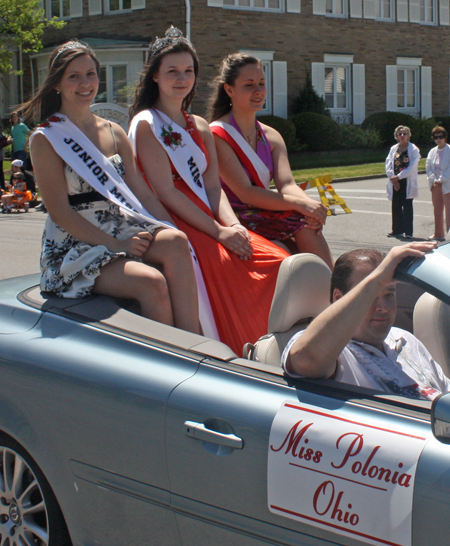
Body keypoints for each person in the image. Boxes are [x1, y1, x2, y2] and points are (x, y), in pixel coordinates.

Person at [128, 27, 290, 355]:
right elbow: (165, 192)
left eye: (188, 71)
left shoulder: (199, 125)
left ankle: (267, 345)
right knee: (230, 264)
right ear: (155, 76)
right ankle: (230, 342)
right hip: (175, 219)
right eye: (172, 71)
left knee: (279, 260)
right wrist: (219, 231)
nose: (181, 78)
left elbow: (213, 186)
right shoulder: (146, 124)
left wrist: (234, 226)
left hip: (209, 215)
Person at [24, 40, 201, 334]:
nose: (85, 83)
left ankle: (197, 348)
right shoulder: (47, 138)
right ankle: (172, 362)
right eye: (74, 76)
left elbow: (141, 194)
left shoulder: (114, 131)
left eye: (91, 74)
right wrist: (116, 246)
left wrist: (166, 226)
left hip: (120, 228)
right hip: (77, 245)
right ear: (57, 83)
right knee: (151, 282)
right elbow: (59, 212)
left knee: (177, 242)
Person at [208, 53, 333, 269]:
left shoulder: (272, 136)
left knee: (305, 222)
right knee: (298, 217)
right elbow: (245, 192)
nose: (258, 91)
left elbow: (287, 184)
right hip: (233, 218)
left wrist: (311, 207)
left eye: (261, 83)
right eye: (248, 85)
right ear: (229, 89)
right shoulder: (217, 135)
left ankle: (334, 285)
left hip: (265, 211)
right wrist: (300, 204)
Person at [281, 241, 450, 400]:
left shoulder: (405, 339)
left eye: (389, 294)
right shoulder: (334, 352)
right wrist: (377, 279)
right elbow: (306, 359)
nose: (383, 307)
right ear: (339, 298)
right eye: (370, 296)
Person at [385, 125, 420, 239]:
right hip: (395, 181)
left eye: (404, 134)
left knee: (407, 206)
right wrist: (393, 178)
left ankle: (408, 232)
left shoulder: (413, 149)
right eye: (400, 134)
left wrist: (398, 177)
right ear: (396, 136)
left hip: (406, 181)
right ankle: (397, 230)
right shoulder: (393, 148)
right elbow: (388, 164)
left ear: (408, 135)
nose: (402, 136)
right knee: (396, 205)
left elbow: (412, 167)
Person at [425, 125, 450, 242]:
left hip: (446, 184)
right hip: (435, 185)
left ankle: (449, 236)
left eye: (441, 136)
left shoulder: (449, 150)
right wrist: (433, 179)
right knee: (437, 209)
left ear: (445, 137)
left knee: (448, 210)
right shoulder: (432, 151)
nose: (438, 139)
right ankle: (438, 233)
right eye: (436, 137)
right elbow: (428, 166)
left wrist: (441, 179)